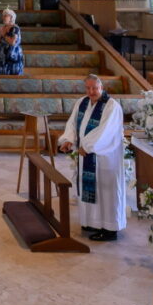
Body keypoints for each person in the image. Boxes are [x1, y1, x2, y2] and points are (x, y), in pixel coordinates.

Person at [56, 73, 127, 241]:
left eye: (95, 88)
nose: (91, 91)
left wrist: (86, 146)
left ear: (101, 87)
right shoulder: (82, 102)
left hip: (104, 158)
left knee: (106, 192)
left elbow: (105, 131)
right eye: (88, 88)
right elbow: (73, 124)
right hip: (86, 155)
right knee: (90, 189)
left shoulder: (111, 106)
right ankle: (92, 222)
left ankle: (109, 229)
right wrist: (68, 140)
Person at [0, 8, 24, 76]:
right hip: (4, 58)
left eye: (5, 16)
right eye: (3, 16)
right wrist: (0, 34)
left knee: (14, 78)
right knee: (2, 78)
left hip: (13, 57)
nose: (3, 17)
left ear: (11, 17)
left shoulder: (15, 28)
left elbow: (12, 42)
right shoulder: (4, 27)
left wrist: (4, 34)